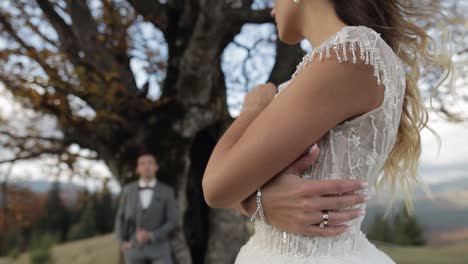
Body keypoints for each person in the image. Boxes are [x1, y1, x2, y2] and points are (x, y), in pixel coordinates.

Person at [202, 0, 451, 263]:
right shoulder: (350, 57)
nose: (272, 9)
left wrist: (251, 110)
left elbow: (215, 187)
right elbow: (230, 187)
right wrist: (258, 204)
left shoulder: (350, 53)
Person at [115, 150, 177, 264]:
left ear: (156, 167)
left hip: (160, 250)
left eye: (150, 163)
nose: (147, 166)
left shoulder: (167, 191)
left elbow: (172, 221)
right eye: (142, 163)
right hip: (133, 250)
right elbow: (120, 218)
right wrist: (121, 242)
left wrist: (151, 235)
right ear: (137, 169)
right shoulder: (127, 191)